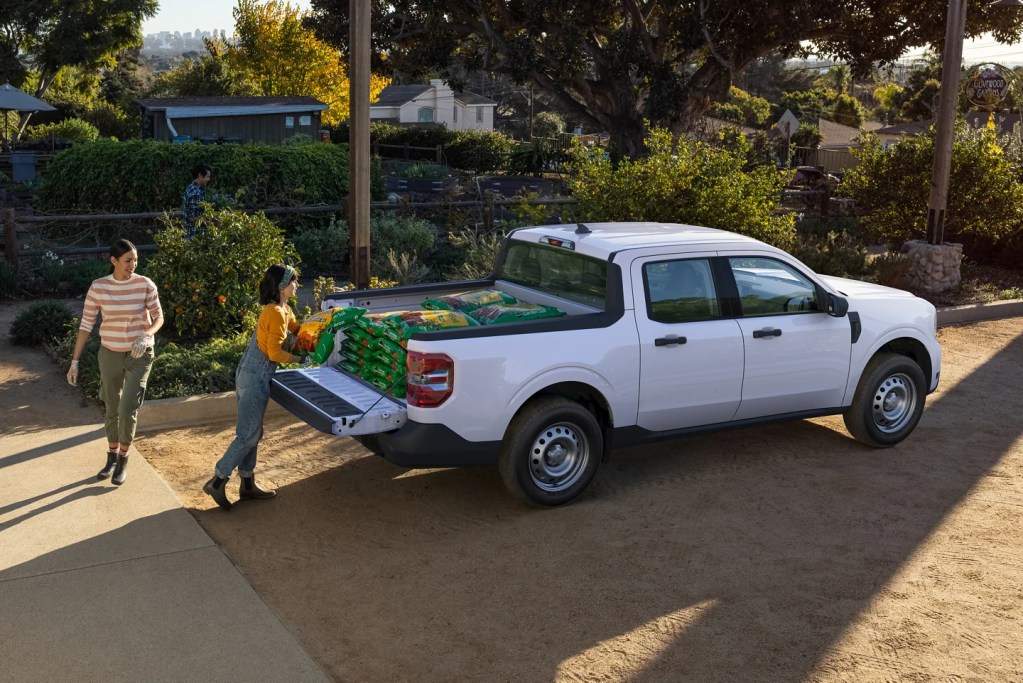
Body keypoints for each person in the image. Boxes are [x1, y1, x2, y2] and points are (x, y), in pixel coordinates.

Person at [203, 263, 306, 510]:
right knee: (248, 434)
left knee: (252, 432)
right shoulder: (274, 313)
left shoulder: (284, 309)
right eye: (293, 281)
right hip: (255, 376)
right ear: (282, 286)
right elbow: (274, 353)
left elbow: (298, 329)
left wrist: (320, 327)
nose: (297, 285)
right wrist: (302, 359)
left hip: (251, 373)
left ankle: (247, 484)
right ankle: (218, 480)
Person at [67, 239, 163, 486]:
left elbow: (158, 317)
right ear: (114, 261)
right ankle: (111, 456)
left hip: (139, 355)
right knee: (111, 406)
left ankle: (123, 459)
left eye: (136, 260)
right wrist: (74, 362)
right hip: (109, 352)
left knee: (127, 407)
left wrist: (147, 334)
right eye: (128, 260)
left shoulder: (145, 285)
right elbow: (86, 325)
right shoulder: (99, 287)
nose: (133, 265)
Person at [181, 163, 212, 238]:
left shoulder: (192, 188)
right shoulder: (196, 192)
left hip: (192, 235)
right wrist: (211, 223)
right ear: (200, 175)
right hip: (194, 236)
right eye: (207, 177)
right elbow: (192, 217)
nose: (209, 179)